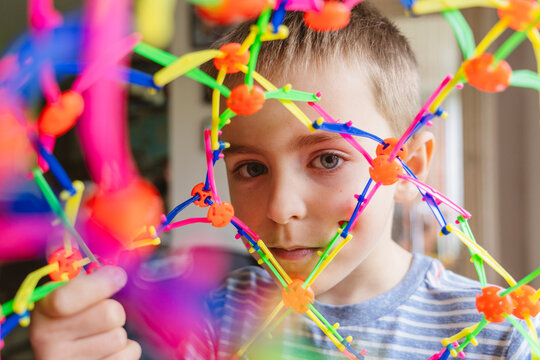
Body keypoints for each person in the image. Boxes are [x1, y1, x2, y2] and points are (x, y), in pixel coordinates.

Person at [29, 3, 537, 359]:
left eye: (328, 160)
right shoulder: (208, 324)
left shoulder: (495, 336)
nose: (280, 208)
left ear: (411, 165)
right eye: (250, 168)